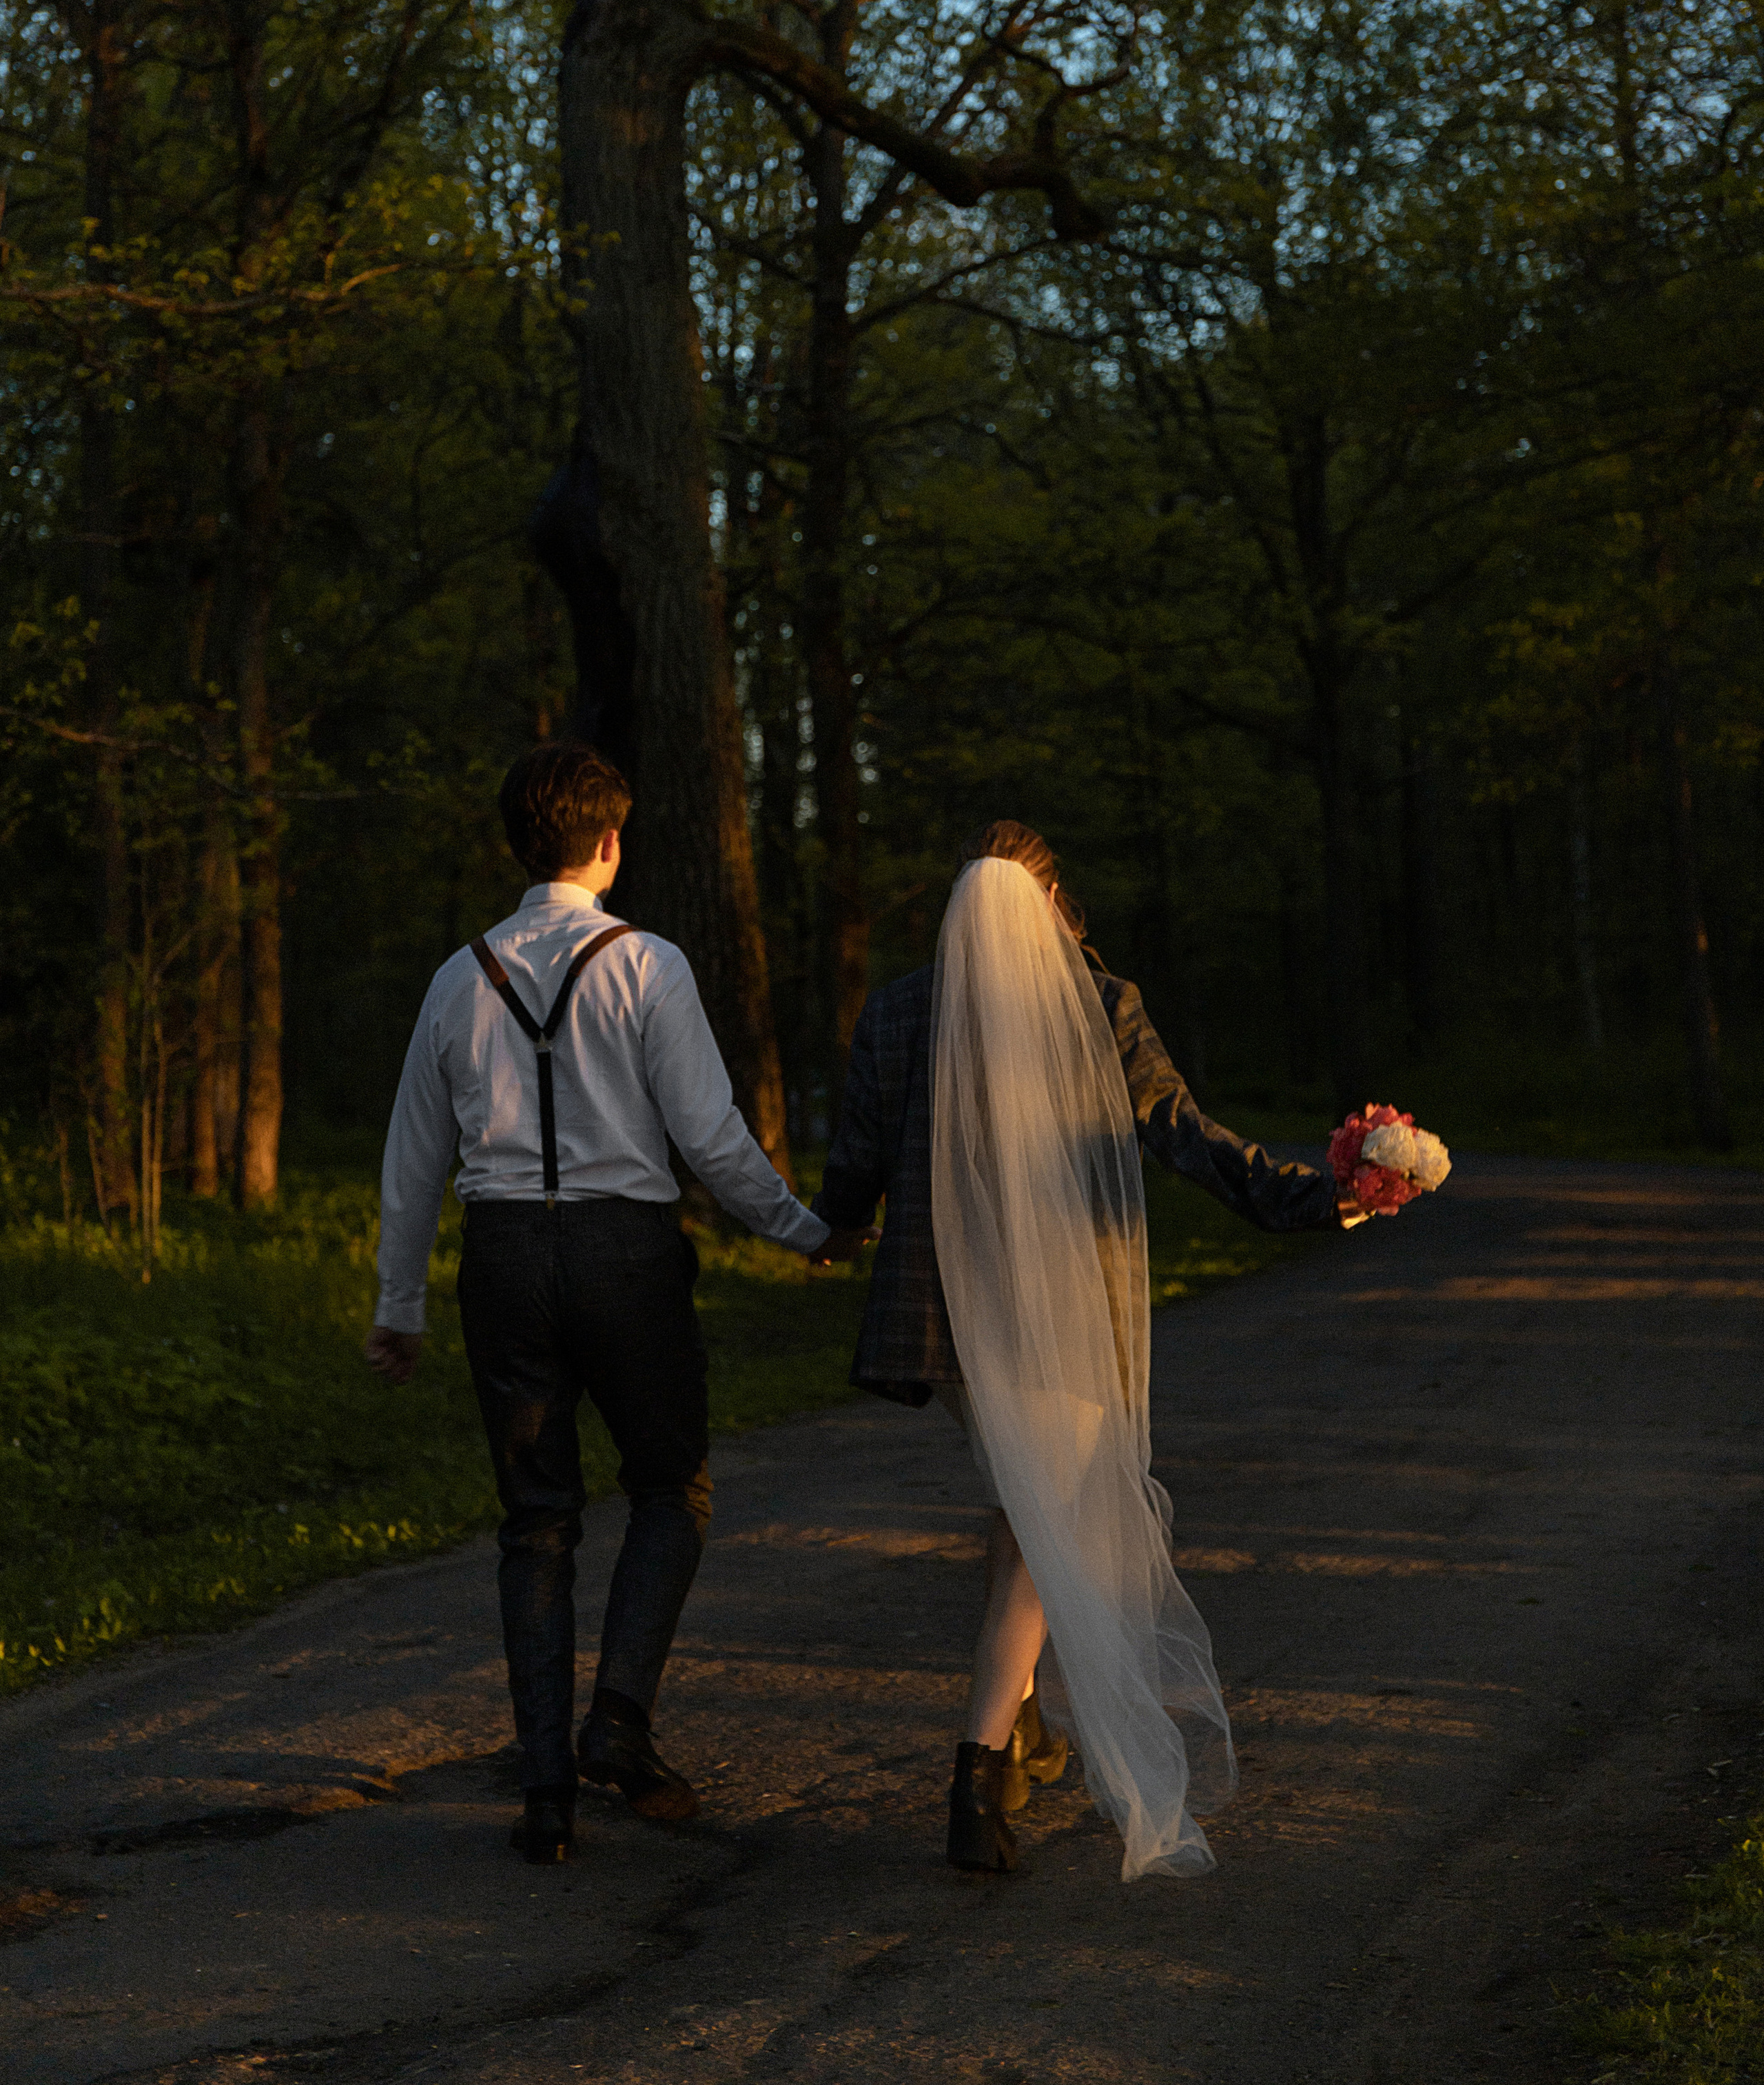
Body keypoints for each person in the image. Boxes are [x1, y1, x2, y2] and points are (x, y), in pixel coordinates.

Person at [815, 820, 1366, 1882]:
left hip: (944, 1320)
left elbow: (856, 1164)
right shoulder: (1100, 1004)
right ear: (1057, 906)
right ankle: (975, 1774)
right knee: (1044, 1528)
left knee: (1023, 1507)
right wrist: (1313, 1198)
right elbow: (1185, 1134)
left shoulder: (895, 1011)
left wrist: (829, 1232)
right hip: (1061, 1315)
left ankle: (1018, 1734)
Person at [365, 742, 874, 1865]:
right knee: (670, 1487)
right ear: (605, 842)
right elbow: (711, 1140)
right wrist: (806, 1231)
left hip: (501, 1259)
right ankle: (620, 1720)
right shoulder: (649, 963)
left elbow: (411, 1161)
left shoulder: (459, 977)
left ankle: (547, 1790)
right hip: (625, 1254)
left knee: (536, 1520)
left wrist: (398, 1308)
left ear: (518, 845)